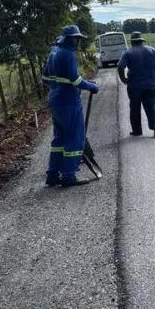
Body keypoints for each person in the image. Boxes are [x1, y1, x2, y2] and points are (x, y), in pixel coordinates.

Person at [41, 24, 99, 187]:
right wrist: (91, 86)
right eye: (76, 38)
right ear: (70, 39)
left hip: (55, 100)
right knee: (75, 137)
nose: (78, 41)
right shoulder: (68, 54)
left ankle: (52, 174)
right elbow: (75, 79)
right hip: (69, 102)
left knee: (59, 139)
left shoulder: (54, 51)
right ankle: (69, 175)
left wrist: (57, 86)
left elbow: (44, 77)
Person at [117, 32, 155, 137]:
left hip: (134, 86)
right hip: (150, 85)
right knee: (152, 106)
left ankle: (137, 131)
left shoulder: (127, 52)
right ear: (142, 41)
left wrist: (123, 79)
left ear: (132, 42)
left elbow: (120, 67)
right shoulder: (152, 50)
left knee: (135, 108)